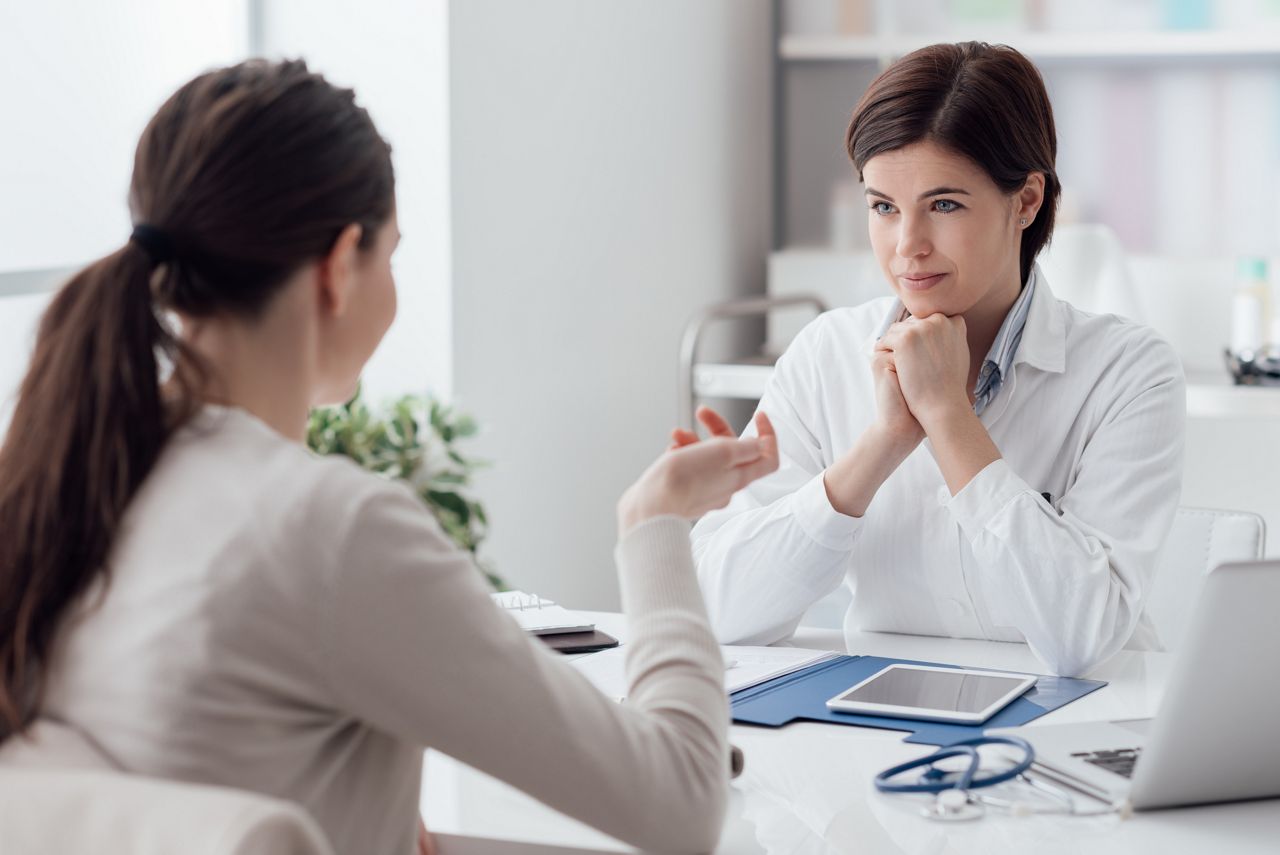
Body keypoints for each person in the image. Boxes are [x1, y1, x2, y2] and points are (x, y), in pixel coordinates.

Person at [0, 59, 780, 854]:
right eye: (393, 256)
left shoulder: (72, 473)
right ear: (339, 267)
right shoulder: (325, 527)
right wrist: (654, 524)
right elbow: (681, 807)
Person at [691, 42, 1185, 679]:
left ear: (1027, 201)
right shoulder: (825, 353)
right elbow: (721, 613)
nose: (907, 247)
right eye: (883, 207)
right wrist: (884, 443)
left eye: (944, 205)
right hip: (881, 722)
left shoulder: (1129, 371)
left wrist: (949, 417)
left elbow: (1082, 638)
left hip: (1085, 726)